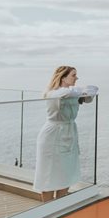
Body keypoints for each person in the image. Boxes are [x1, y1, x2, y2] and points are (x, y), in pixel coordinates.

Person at [34, 66, 98, 201]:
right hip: (52, 135)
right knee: (49, 177)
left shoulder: (72, 93)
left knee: (66, 175)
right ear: (63, 77)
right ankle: (47, 211)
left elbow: (92, 92)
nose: (77, 78)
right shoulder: (53, 93)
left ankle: (60, 208)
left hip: (69, 135)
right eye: (73, 75)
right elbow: (64, 94)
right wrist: (80, 91)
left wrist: (81, 91)